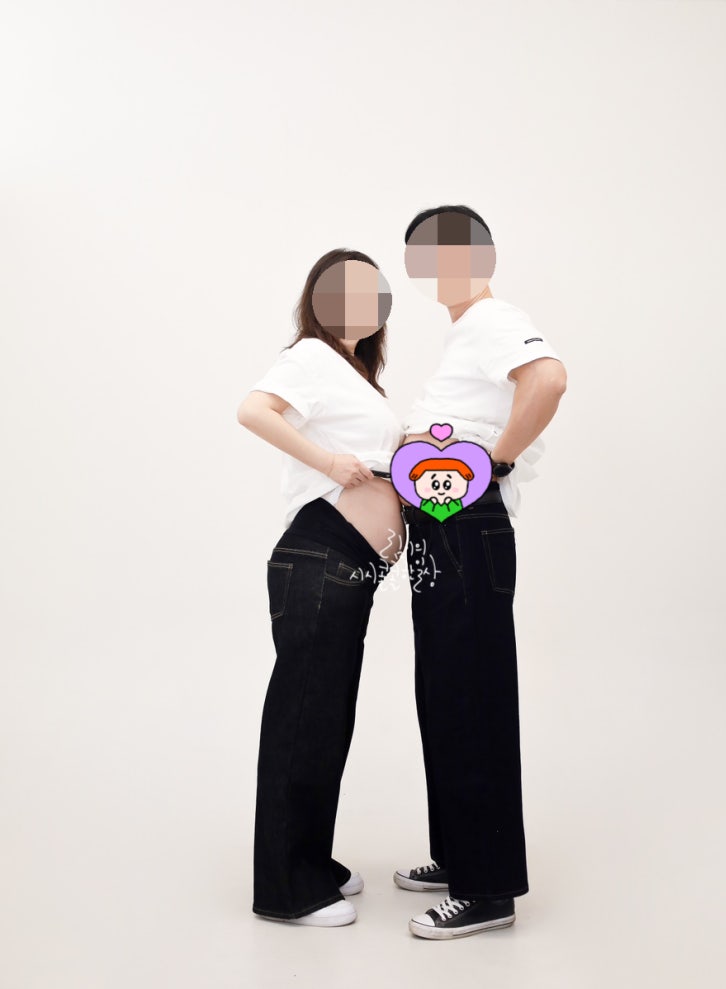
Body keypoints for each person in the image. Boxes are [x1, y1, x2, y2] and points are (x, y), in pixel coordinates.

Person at [394, 205, 567, 940]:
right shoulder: (464, 332)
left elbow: (548, 380)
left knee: (472, 694)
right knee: (442, 691)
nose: (440, 270)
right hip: (442, 524)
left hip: (466, 523)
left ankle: (488, 889)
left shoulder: (496, 320)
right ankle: (459, 855)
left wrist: (490, 463)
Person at [236, 248, 405, 927]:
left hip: (351, 565)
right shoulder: (309, 355)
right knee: (304, 716)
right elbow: (254, 410)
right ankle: (286, 889)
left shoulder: (356, 374)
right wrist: (329, 462)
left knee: (327, 717)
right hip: (319, 554)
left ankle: (310, 858)